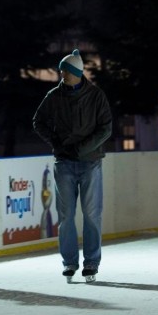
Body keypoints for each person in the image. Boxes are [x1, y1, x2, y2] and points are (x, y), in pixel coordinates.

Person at [33, 49, 113, 283]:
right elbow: (38, 122)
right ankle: (69, 262)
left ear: (76, 73)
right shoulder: (54, 96)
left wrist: (82, 149)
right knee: (66, 216)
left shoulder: (96, 96)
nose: (62, 74)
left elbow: (106, 128)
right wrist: (57, 143)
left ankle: (91, 262)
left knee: (91, 214)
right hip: (65, 163)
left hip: (90, 163)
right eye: (61, 70)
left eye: (65, 71)